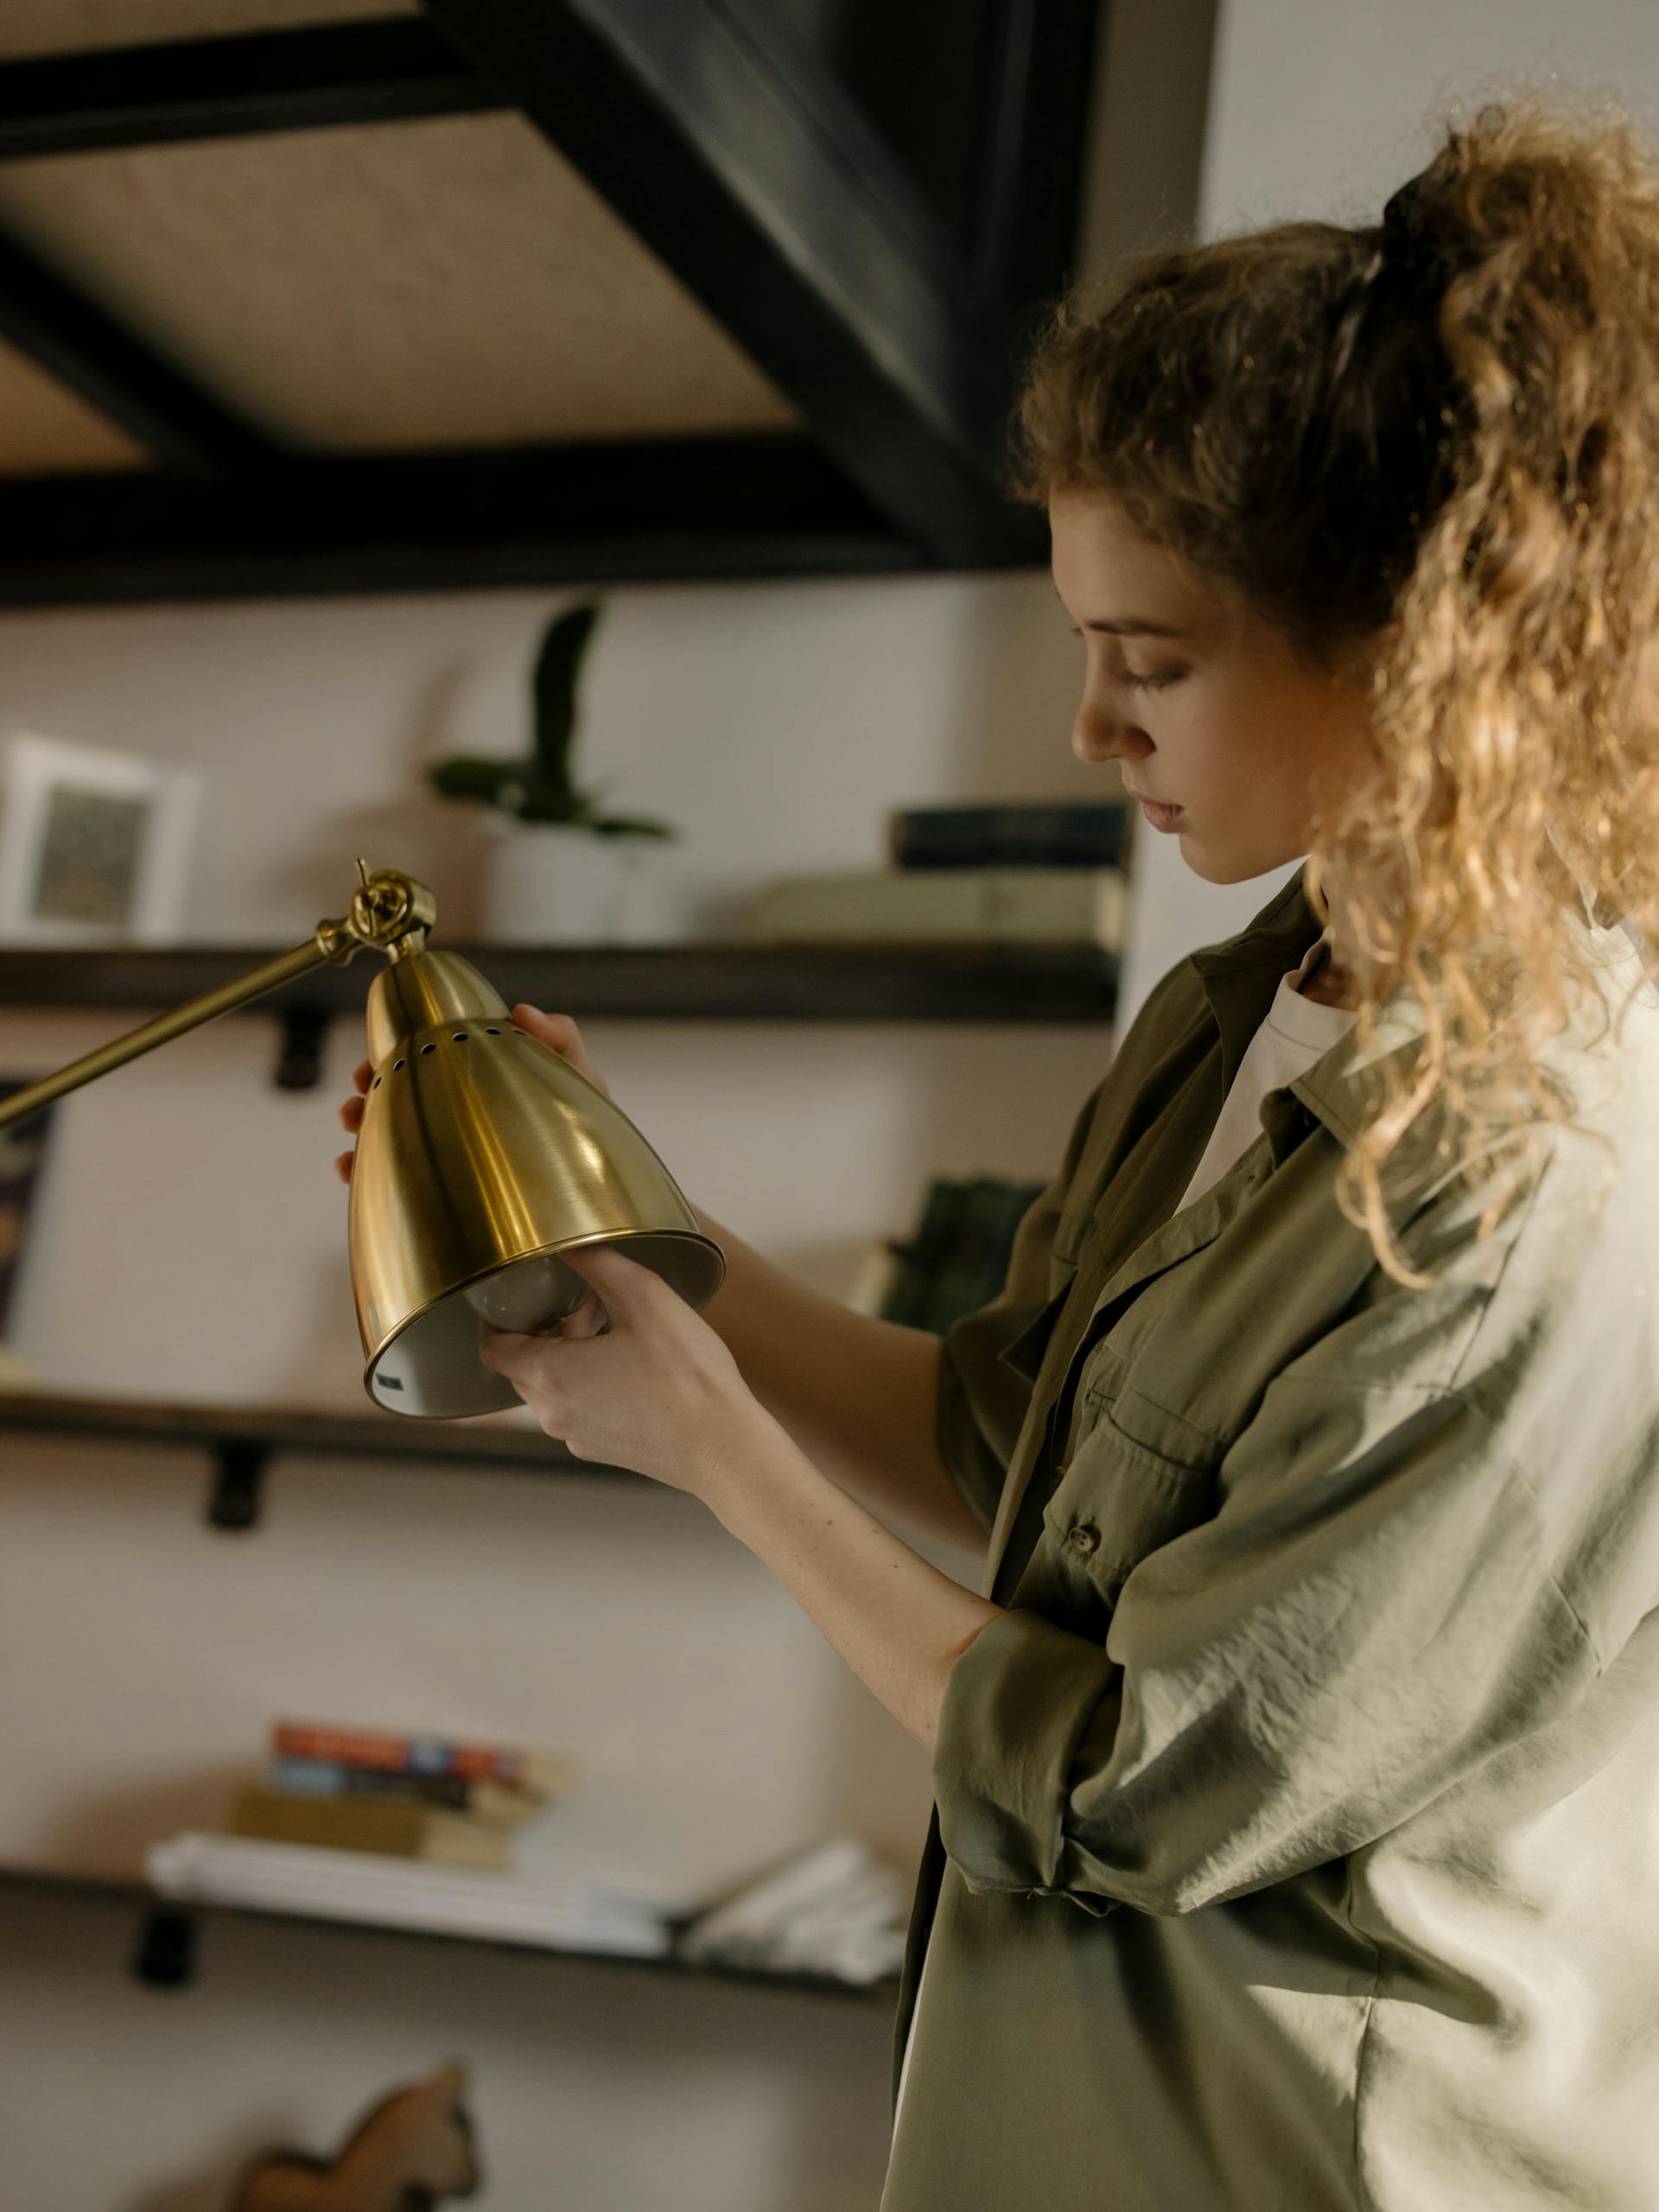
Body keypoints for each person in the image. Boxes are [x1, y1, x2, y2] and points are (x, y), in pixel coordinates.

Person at [336, 92, 1659, 2212]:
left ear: (1418, 654)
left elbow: (1144, 1783)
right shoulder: (1242, 1009)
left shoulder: (1532, 1181)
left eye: (1155, 659)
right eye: (1082, 647)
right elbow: (1002, 1433)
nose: (1094, 726)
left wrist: (715, 1450)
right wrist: (642, 1230)